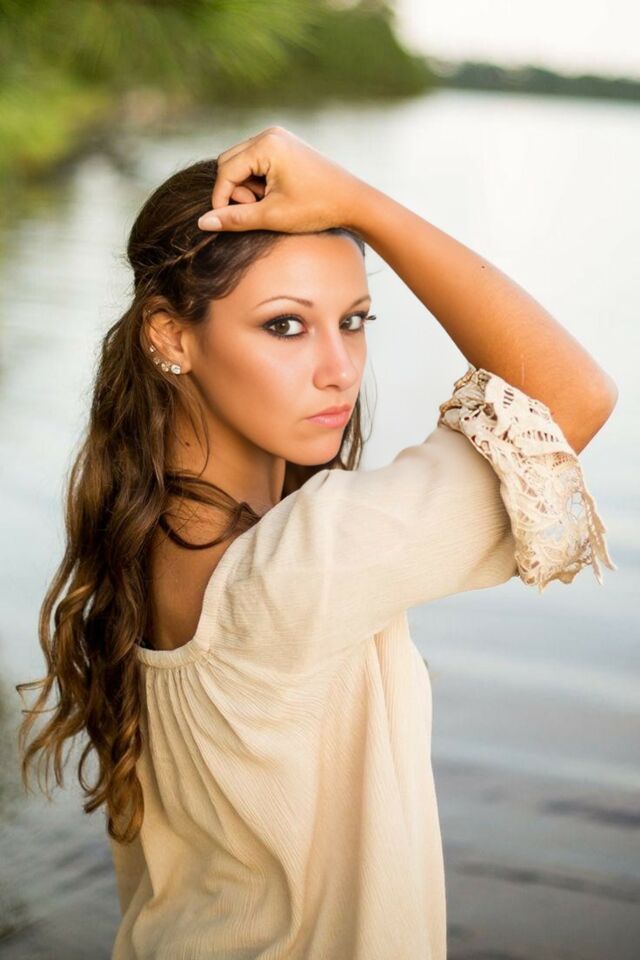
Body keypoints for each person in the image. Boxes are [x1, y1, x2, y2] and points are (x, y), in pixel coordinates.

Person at [16, 125, 617, 960]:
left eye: (355, 320)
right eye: (286, 326)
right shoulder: (299, 567)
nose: (341, 368)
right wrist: (362, 205)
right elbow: (572, 397)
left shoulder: (141, 535)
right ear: (171, 335)